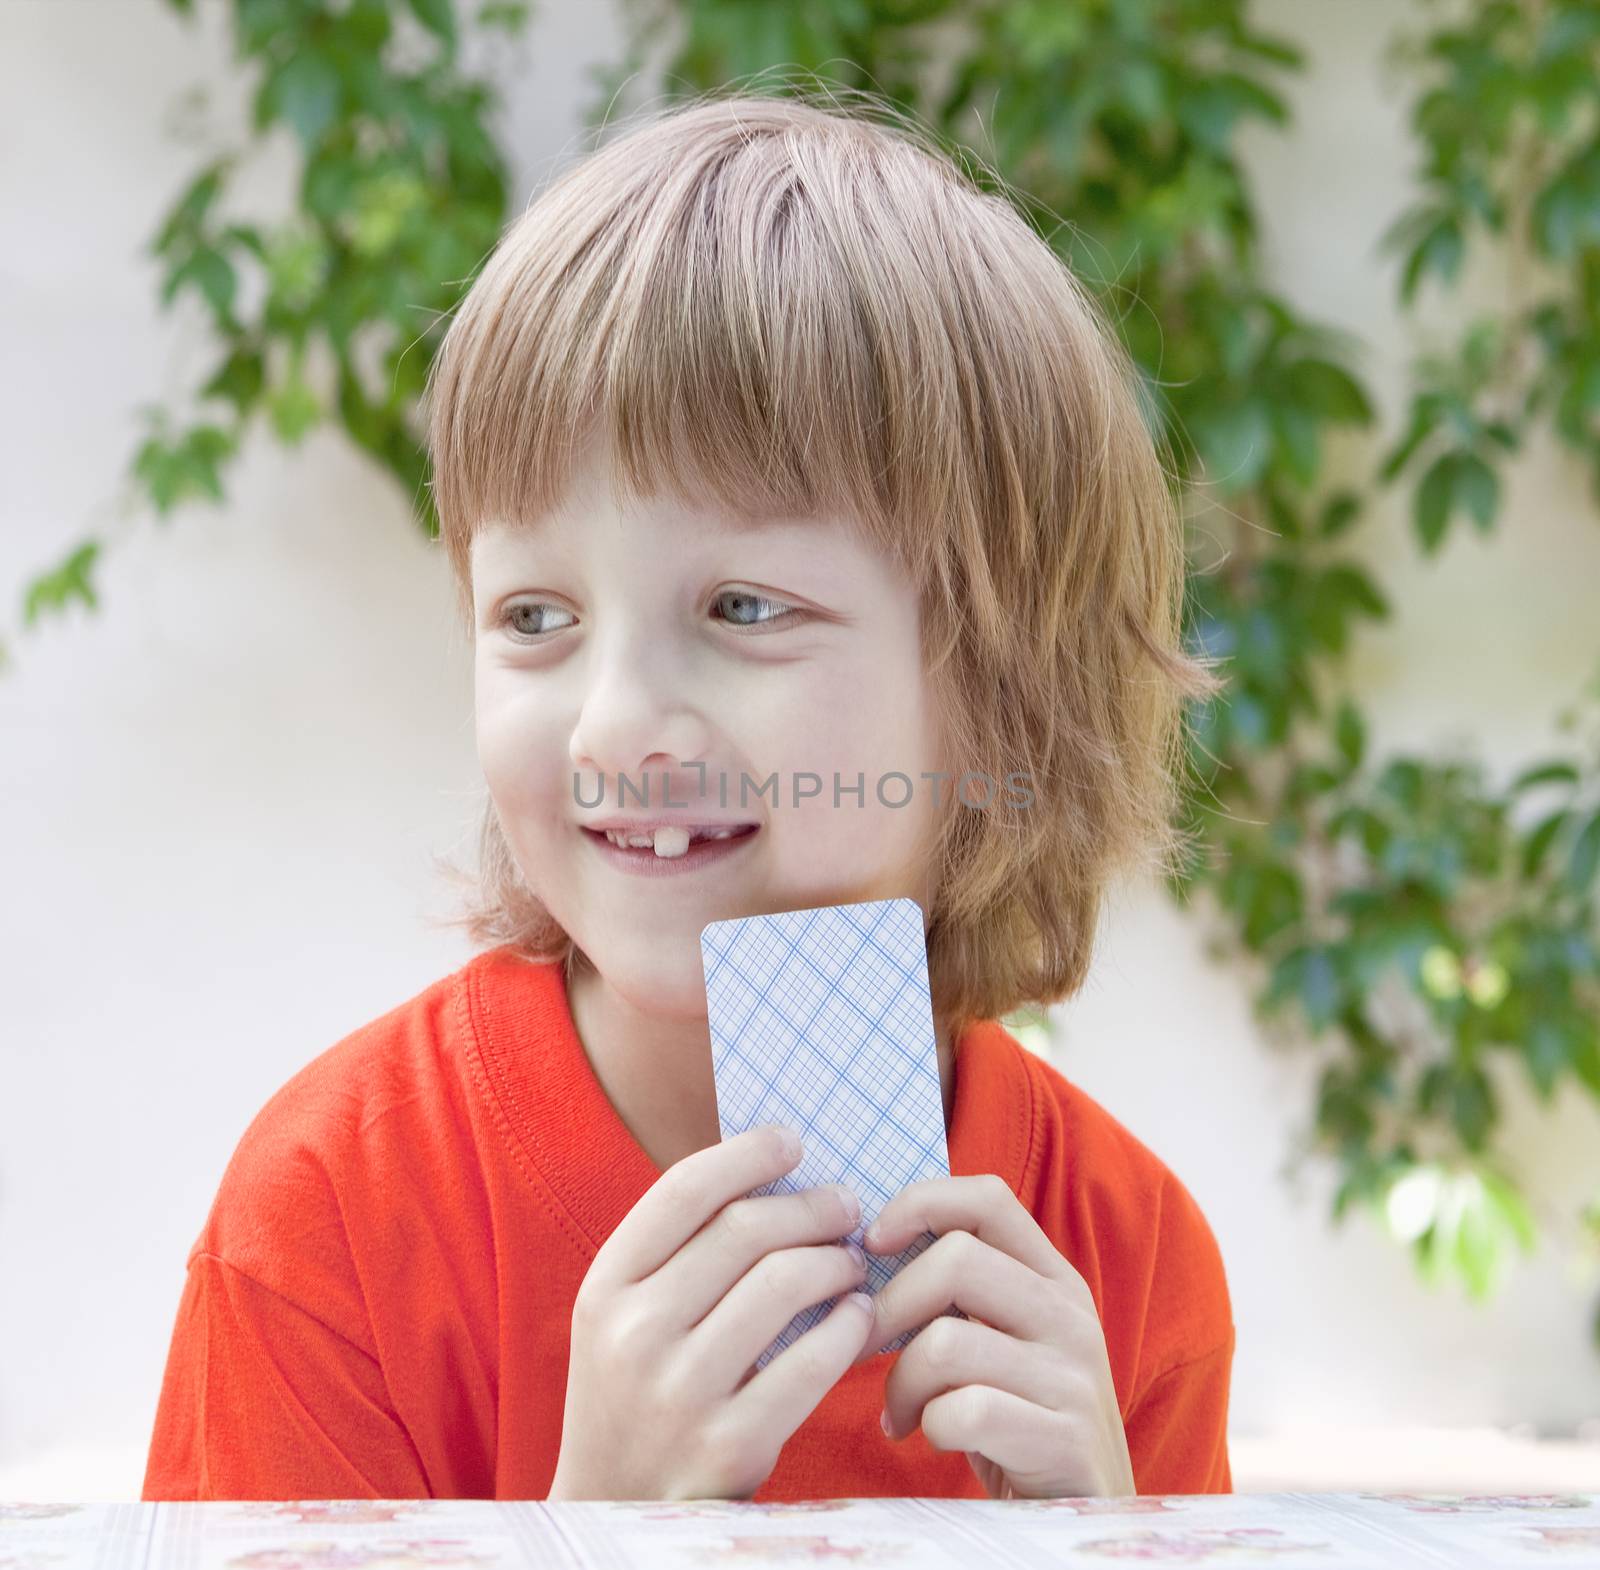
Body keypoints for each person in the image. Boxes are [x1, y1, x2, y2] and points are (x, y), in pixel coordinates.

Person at [142, 85, 1234, 1504]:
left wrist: (1107, 1546)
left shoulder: (1124, 1259)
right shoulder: (332, 1222)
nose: (613, 723)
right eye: (534, 617)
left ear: (999, 677)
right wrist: (583, 1530)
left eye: (741, 604)